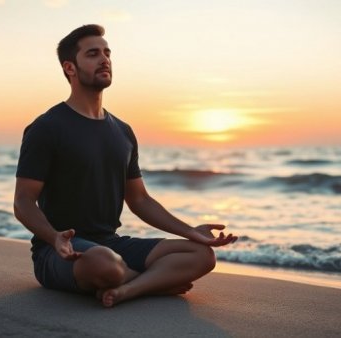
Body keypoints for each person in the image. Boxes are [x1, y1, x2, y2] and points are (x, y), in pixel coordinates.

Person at [13, 24, 237, 307]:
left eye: (107, 53)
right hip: (58, 252)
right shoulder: (46, 128)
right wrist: (54, 238)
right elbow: (23, 202)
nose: (104, 59)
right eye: (93, 54)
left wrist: (190, 231)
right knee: (103, 263)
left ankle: (129, 289)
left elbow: (140, 200)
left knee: (202, 255)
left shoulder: (122, 131)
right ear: (70, 68)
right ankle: (153, 284)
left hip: (112, 243)